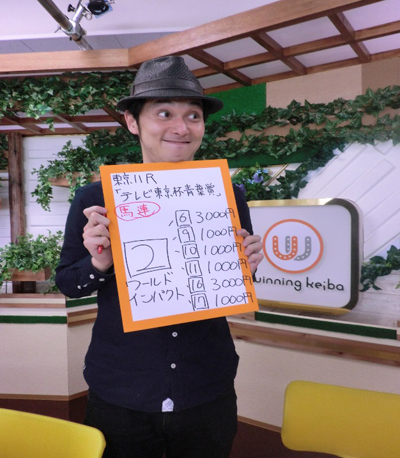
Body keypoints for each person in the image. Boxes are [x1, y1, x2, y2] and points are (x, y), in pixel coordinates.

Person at [56, 56, 263, 458]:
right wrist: (99, 263)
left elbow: (228, 282)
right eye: (164, 113)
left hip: (206, 386)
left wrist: (246, 266)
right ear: (132, 122)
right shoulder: (96, 198)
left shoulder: (227, 195)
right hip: (121, 389)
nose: (182, 128)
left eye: (193, 116)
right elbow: (68, 283)